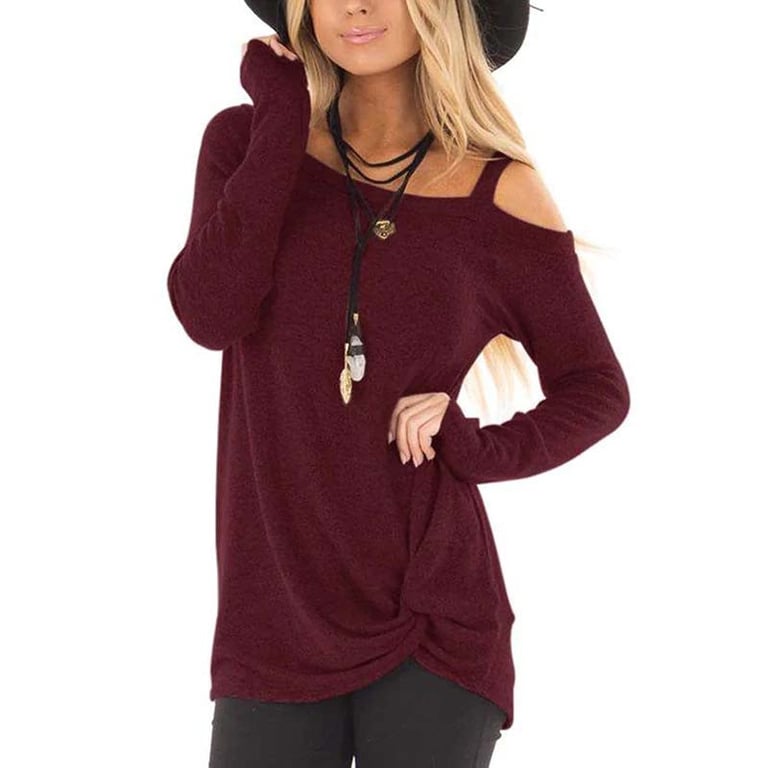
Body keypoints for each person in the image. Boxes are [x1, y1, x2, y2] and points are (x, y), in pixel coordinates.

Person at [166, 0, 631, 765]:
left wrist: (473, 444)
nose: (356, 5)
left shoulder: (497, 190)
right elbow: (210, 314)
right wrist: (281, 115)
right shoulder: (247, 143)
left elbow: (597, 388)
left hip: (431, 619)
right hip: (270, 618)